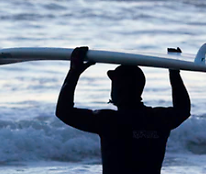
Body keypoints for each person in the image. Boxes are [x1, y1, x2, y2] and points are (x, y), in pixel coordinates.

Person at [56, 46, 190, 174]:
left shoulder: (109, 121)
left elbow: (63, 111)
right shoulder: (159, 119)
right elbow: (183, 108)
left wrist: (74, 72)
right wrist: (174, 71)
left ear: (118, 90)